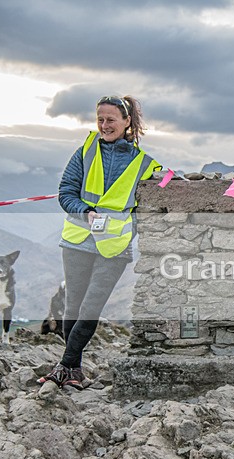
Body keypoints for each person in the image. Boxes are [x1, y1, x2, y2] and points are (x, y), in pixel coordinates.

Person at [38, 95, 161, 388]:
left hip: (114, 247)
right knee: (73, 308)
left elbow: (169, 189)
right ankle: (74, 370)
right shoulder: (85, 151)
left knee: (91, 307)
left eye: (111, 120)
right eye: (100, 120)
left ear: (127, 121)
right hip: (77, 240)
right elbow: (66, 192)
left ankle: (63, 367)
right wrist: (86, 212)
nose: (105, 125)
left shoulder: (145, 164)